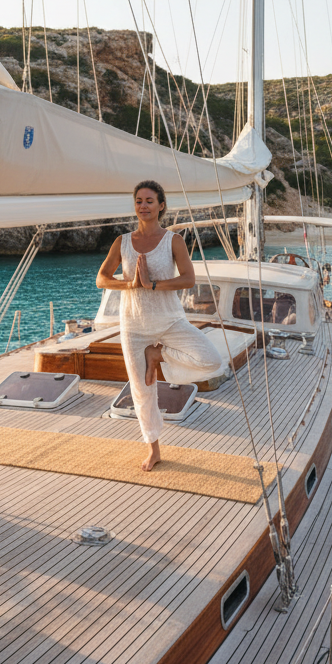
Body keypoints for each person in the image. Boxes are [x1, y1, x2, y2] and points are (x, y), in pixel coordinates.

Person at [96, 180, 223, 471]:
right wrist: (130, 284)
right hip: (134, 324)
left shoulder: (173, 240)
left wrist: (152, 284)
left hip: (169, 320)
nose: (143, 205)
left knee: (211, 359)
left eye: (149, 201)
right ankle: (153, 449)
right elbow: (101, 279)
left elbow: (188, 279)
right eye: (139, 201)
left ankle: (159, 355)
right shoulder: (123, 242)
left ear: (161, 205)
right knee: (141, 390)